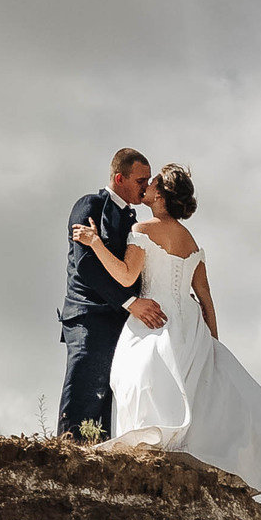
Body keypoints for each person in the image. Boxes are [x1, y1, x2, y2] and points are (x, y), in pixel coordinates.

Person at [67, 163, 261, 494]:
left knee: (141, 381)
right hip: (190, 325)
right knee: (196, 391)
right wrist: (212, 343)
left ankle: (146, 457)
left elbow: (125, 277)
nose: (147, 187)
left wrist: (95, 242)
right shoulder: (192, 241)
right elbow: (207, 298)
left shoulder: (144, 229)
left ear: (161, 195)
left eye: (152, 183)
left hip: (154, 320)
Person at [57, 148, 167, 442]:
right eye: (141, 180)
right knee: (84, 387)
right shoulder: (89, 205)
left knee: (105, 394)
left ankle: (94, 458)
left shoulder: (134, 219)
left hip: (119, 321)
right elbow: (86, 264)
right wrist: (131, 302)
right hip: (88, 316)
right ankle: (67, 454)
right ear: (120, 177)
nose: (146, 186)